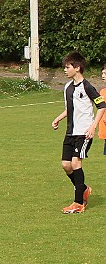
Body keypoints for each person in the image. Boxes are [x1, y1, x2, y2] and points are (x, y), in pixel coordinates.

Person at [51, 52, 106, 214]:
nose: (65, 70)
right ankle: (83, 189)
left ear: (77, 67)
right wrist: (58, 119)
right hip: (70, 133)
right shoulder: (67, 87)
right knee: (66, 165)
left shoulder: (87, 86)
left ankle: (78, 202)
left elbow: (102, 106)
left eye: (67, 67)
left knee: (76, 164)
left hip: (84, 132)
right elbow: (70, 108)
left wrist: (92, 127)